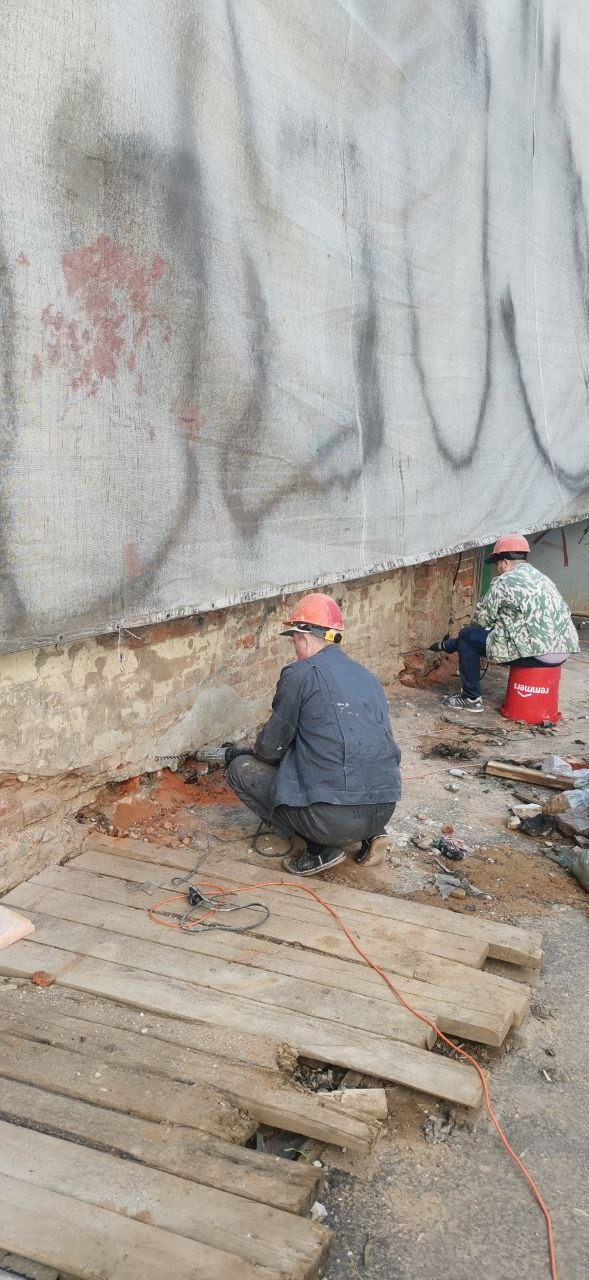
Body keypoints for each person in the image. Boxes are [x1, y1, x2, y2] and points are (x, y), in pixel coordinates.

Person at [225, 593, 401, 876]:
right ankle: (372, 833)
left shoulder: (300, 673)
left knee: (239, 769)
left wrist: (250, 751)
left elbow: (270, 749)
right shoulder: (367, 677)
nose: (295, 649)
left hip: (332, 819)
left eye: (294, 640)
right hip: (384, 807)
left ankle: (320, 848)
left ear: (304, 637)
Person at [430, 535, 580, 712]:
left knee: (467, 635)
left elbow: (480, 621)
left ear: (506, 563)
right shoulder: (544, 579)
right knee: (478, 636)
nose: (497, 569)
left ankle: (470, 698)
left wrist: (458, 642)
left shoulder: (503, 581)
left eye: (497, 564)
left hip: (535, 655)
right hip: (563, 651)